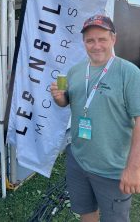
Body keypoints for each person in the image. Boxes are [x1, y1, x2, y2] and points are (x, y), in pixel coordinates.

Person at [50, 15, 140, 222]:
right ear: (84, 43)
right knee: (86, 213)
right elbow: (68, 102)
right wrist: (59, 98)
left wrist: (134, 167)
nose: (96, 45)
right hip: (78, 159)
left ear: (113, 40)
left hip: (112, 168)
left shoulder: (129, 73)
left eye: (102, 39)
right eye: (90, 40)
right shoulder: (75, 71)